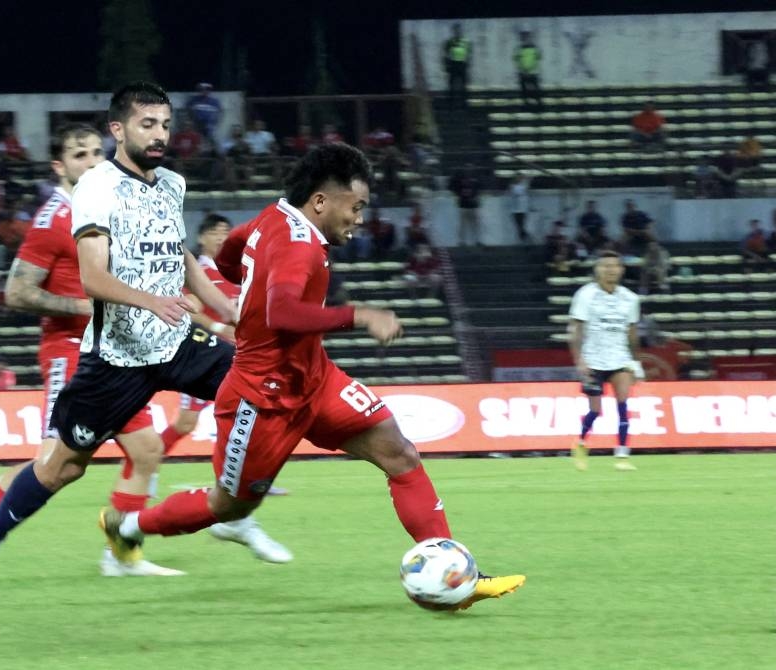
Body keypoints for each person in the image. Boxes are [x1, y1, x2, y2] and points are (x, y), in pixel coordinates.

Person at [98, 142, 525, 611]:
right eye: (356, 206)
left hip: (315, 381)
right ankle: (128, 526)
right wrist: (359, 314)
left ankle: (456, 576)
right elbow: (281, 312)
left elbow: (228, 258)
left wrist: (252, 290)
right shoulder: (300, 248)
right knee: (229, 506)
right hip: (261, 399)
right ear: (320, 201)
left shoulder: (272, 217)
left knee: (399, 453)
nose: (359, 218)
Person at [0, 82, 287, 607]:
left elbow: (181, 261)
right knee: (64, 465)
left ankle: (230, 508)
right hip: (118, 357)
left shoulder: (171, 184)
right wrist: (149, 301)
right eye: (147, 125)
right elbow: (92, 278)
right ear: (118, 130)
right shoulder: (96, 189)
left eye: (165, 125)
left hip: (175, 340)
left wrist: (230, 312)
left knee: (262, 384)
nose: (158, 135)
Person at [157, 213, 292, 504]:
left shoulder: (236, 270)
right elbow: (189, 308)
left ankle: (253, 480)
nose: (222, 237)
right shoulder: (198, 270)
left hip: (236, 359)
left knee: (251, 415)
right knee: (186, 424)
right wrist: (219, 327)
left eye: (226, 232)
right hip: (204, 356)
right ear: (202, 237)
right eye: (216, 232)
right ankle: (146, 463)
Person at [568, 250, 643, 472]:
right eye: (605, 266)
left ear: (621, 270)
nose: (610, 270)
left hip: (619, 358)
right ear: (597, 270)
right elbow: (575, 328)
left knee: (623, 405)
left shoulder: (630, 299)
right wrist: (579, 359)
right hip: (593, 359)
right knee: (595, 410)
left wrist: (636, 361)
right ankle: (581, 443)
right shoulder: (585, 295)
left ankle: (622, 455)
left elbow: (632, 332)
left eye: (614, 266)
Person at [442, 24, 471, 106]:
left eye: (458, 30)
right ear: (453, 31)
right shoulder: (450, 42)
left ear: (460, 31)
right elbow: (445, 54)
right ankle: (450, 103)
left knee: (464, 84)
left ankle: (464, 103)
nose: (457, 32)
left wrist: (467, 64)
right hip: (453, 64)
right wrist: (446, 66)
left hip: (462, 64)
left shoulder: (465, 41)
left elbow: (468, 53)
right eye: (455, 30)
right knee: (451, 84)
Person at [514, 31, 542, 107]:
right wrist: (522, 68)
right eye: (524, 38)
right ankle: (526, 104)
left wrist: (529, 68)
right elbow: (516, 59)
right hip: (523, 72)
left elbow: (538, 58)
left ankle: (538, 104)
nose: (526, 39)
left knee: (536, 89)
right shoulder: (518, 49)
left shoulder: (534, 48)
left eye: (527, 37)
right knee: (524, 90)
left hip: (533, 72)